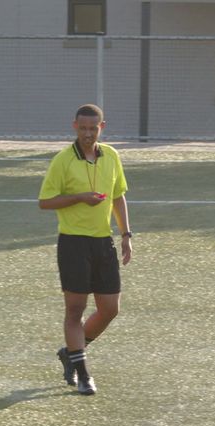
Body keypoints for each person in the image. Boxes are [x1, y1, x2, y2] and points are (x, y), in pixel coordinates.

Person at [38, 104, 133, 395]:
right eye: (83, 128)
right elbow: (45, 201)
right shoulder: (63, 160)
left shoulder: (112, 156)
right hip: (73, 243)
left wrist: (126, 234)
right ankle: (82, 374)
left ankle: (71, 351)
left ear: (102, 128)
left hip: (102, 242)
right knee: (75, 310)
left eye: (93, 128)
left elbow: (118, 197)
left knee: (109, 309)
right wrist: (79, 197)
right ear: (74, 127)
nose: (88, 134)